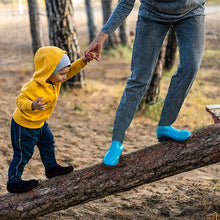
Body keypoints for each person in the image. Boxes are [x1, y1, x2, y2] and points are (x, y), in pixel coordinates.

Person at [85, 0, 206, 166]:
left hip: (191, 11)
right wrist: (100, 38)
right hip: (152, 14)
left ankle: (165, 125)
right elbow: (125, 3)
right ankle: (116, 142)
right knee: (138, 79)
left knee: (190, 67)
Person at [7, 46, 94, 193]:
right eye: (61, 74)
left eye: (64, 74)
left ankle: (51, 168)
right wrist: (32, 105)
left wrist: (83, 61)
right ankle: (14, 181)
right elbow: (19, 101)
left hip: (40, 123)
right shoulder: (32, 86)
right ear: (48, 71)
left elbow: (70, 70)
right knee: (23, 154)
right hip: (25, 126)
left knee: (48, 143)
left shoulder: (55, 80)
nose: (64, 77)